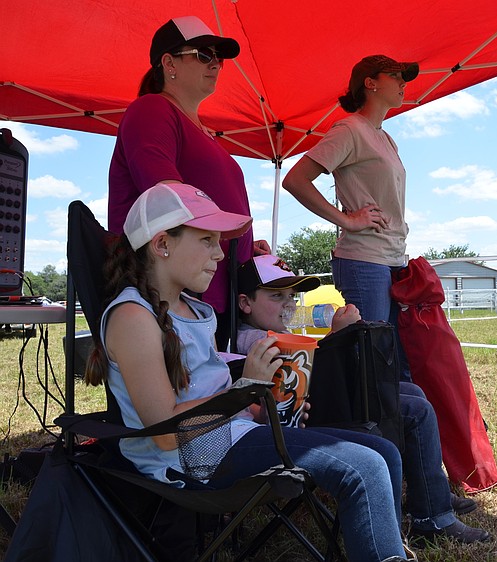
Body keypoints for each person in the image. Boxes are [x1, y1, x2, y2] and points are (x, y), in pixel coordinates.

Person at [85, 182, 412, 562]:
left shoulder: (191, 308)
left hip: (232, 433)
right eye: (207, 241)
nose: (218, 255)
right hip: (190, 460)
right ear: (162, 244)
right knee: (363, 466)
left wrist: (262, 405)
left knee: (383, 450)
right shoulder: (133, 317)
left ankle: (386, 547)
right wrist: (246, 388)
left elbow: (211, 391)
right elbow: (166, 435)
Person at [235, 255, 493, 546]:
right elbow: (312, 373)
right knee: (414, 408)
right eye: (276, 295)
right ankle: (432, 515)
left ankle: (430, 494)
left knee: (411, 393)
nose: (289, 304)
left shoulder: (276, 332)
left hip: (315, 408)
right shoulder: (256, 341)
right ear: (246, 303)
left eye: (292, 296)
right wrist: (338, 335)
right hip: (302, 420)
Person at [107, 15, 269, 350]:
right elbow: (168, 200)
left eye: (219, 59)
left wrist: (242, 244)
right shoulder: (152, 109)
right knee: (190, 396)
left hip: (208, 285)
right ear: (169, 63)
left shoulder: (202, 131)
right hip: (173, 290)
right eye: (204, 55)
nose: (216, 65)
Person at [281, 55, 418, 356]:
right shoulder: (349, 129)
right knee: (371, 359)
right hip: (364, 259)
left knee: (393, 357)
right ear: (370, 83)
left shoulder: (387, 139)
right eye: (395, 75)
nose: (403, 83)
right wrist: (349, 221)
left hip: (392, 258)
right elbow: (295, 180)